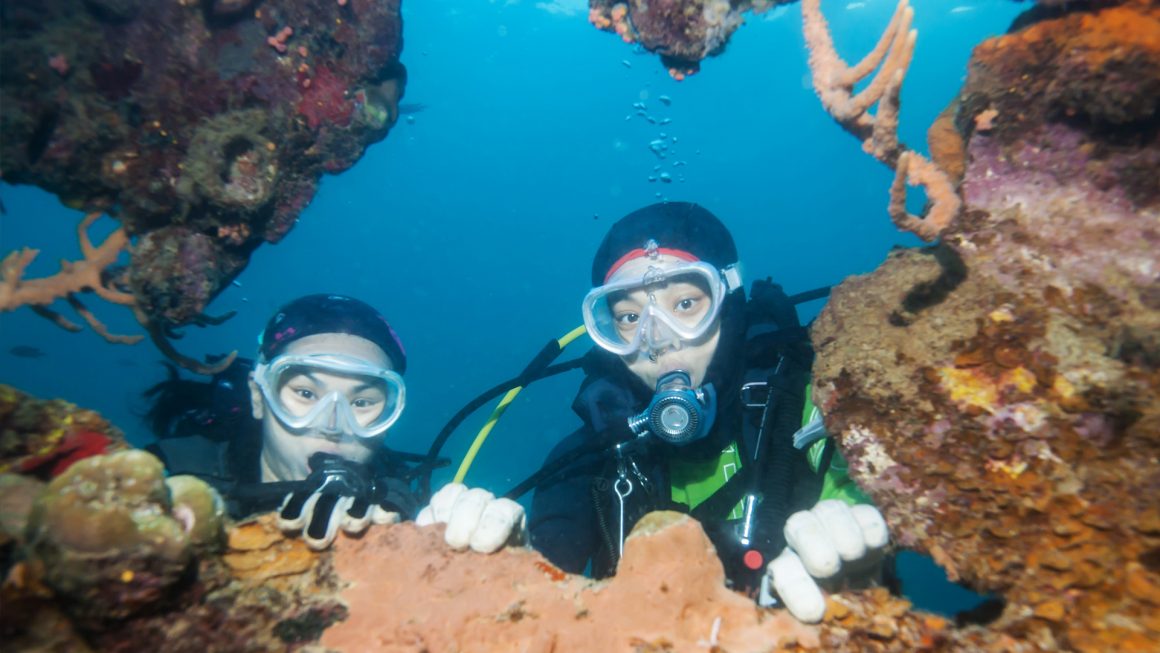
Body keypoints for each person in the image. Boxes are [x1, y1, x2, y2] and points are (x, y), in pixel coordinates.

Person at [526, 202, 890, 623]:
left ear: (728, 303)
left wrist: (856, 569)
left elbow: (862, 508)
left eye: (684, 305)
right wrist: (513, 573)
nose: (658, 340)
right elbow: (538, 598)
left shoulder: (814, 411)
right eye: (629, 317)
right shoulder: (590, 457)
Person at [146, 293, 524, 552]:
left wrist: (505, 559)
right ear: (259, 396)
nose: (331, 424)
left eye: (361, 402)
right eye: (306, 394)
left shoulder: (411, 520)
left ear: (387, 421)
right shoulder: (166, 476)